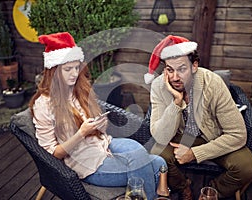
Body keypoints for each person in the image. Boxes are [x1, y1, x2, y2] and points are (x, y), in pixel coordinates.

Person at [29, 32, 168, 200]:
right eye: (67, 69)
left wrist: (99, 125)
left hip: (103, 144)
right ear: (53, 71)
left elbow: (97, 127)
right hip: (85, 163)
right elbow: (52, 155)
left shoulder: (78, 89)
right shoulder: (43, 105)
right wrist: (81, 133)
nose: (74, 74)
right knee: (150, 163)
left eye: (76, 67)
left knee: (150, 157)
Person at [144, 35, 252, 199]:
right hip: (180, 136)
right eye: (170, 69)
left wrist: (195, 153)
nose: (175, 77)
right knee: (158, 154)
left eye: (182, 69)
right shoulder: (159, 85)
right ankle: (183, 187)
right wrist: (176, 102)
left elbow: (238, 134)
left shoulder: (213, 83)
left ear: (194, 66)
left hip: (214, 136)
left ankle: (211, 192)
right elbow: (160, 136)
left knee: (247, 167)